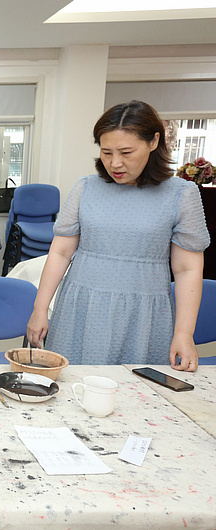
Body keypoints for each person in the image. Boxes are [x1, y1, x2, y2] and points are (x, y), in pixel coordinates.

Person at [26, 100, 209, 371]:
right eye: (106, 152)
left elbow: (187, 269)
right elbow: (61, 252)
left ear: (153, 141)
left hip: (144, 312)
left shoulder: (181, 195)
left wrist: (184, 333)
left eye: (126, 152)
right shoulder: (85, 188)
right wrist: (39, 309)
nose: (115, 163)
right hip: (81, 306)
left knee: (137, 393)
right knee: (69, 386)